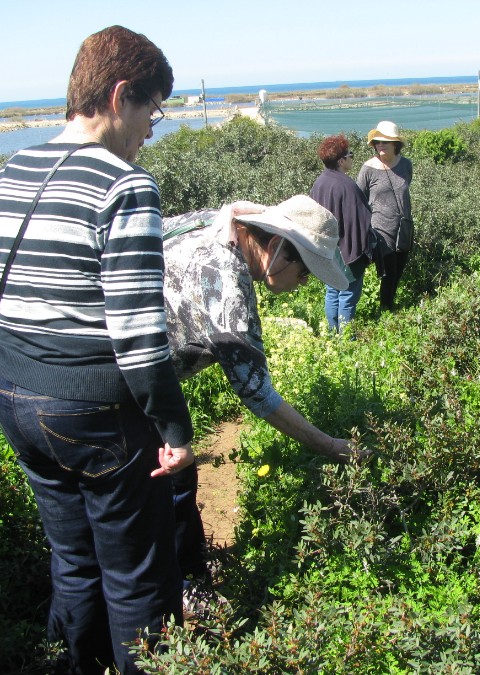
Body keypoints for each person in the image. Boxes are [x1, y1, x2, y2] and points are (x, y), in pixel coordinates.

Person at [0, 26, 192, 675]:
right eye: (152, 108)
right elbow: (139, 333)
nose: (152, 126)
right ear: (120, 96)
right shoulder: (126, 185)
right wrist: (174, 428)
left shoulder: (10, 170)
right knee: (137, 576)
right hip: (95, 414)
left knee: (74, 558)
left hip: (13, 396)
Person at [160, 196, 368, 585]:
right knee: (169, 486)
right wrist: (331, 446)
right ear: (274, 248)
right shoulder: (227, 282)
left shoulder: (220, 223)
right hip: (111, 385)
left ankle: (183, 574)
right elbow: (257, 393)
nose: (304, 282)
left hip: (97, 364)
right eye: (305, 270)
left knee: (175, 479)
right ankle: (184, 589)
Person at [310, 134, 374, 332]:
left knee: (332, 290)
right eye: (350, 155)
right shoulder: (347, 185)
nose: (352, 159)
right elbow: (362, 220)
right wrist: (367, 250)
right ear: (341, 161)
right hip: (347, 250)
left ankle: (332, 334)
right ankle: (346, 341)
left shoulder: (319, 183)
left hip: (327, 249)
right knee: (347, 294)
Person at [356, 120, 414, 311]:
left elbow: (404, 190)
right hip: (381, 230)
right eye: (377, 142)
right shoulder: (368, 168)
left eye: (384, 142)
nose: (380, 145)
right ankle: (386, 311)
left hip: (404, 228)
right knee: (388, 274)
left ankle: (389, 309)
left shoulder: (406, 165)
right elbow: (359, 199)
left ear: (395, 144)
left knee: (398, 273)